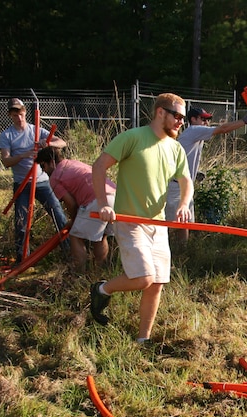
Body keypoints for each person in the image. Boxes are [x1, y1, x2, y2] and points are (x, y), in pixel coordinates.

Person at [89, 93, 193, 343]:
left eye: (183, 118)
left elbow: (186, 180)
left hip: (157, 225)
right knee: (143, 278)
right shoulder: (132, 138)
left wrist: (184, 203)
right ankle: (101, 289)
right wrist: (104, 204)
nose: (181, 122)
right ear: (160, 112)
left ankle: (142, 340)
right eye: (177, 116)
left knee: (156, 283)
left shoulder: (175, 148)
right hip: (130, 221)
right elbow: (99, 166)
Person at [165, 105, 247, 244]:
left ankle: (182, 251)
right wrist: (246, 120)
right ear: (193, 119)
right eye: (203, 119)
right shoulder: (193, 130)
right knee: (170, 224)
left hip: (184, 186)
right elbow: (223, 129)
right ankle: (168, 253)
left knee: (185, 222)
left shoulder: (195, 135)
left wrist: (193, 173)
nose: (206, 123)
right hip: (175, 188)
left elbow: (183, 157)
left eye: (208, 120)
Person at [0, 97, 70, 264]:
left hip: (42, 182)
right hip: (22, 184)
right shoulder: (7, 135)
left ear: (25, 112)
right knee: (22, 222)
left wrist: (48, 143)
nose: (19, 116)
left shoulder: (36, 130)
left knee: (58, 214)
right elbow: (6, 161)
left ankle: (69, 252)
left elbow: (62, 142)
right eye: (14, 113)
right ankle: (23, 260)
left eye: (21, 112)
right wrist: (23, 155)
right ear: (10, 115)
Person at [36, 146, 117, 272]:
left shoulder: (55, 177)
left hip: (96, 200)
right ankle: (99, 272)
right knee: (101, 236)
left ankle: (79, 273)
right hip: (115, 197)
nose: (44, 171)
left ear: (51, 162)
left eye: (43, 166)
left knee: (75, 236)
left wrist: (74, 221)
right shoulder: (72, 163)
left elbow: (71, 204)